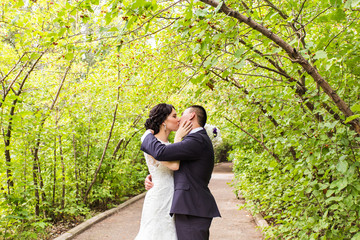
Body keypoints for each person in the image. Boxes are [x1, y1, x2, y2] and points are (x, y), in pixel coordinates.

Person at [141, 105, 221, 240]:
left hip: (192, 208)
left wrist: (147, 135)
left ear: (191, 116)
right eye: (174, 116)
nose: (178, 119)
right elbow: (178, 166)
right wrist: (153, 176)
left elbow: (163, 153)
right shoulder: (193, 140)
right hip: (182, 205)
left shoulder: (196, 140)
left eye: (181, 114)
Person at [135, 103, 192, 240]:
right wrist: (178, 138)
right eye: (174, 116)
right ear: (163, 121)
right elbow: (174, 165)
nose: (178, 119)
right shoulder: (152, 143)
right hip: (159, 197)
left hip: (173, 196)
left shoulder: (170, 146)